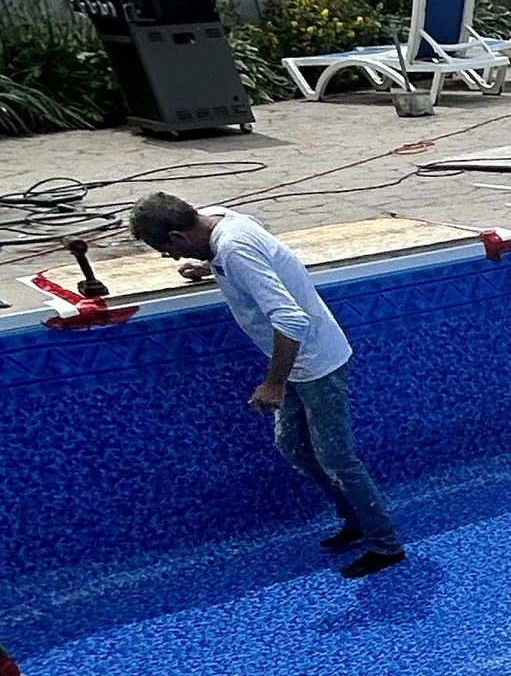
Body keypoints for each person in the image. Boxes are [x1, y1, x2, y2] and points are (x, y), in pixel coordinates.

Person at [125, 195, 404, 575]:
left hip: (315, 363)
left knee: (337, 458)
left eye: (166, 250)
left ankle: (385, 545)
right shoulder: (220, 218)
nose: (169, 258)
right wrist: (210, 268)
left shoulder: (235, 249)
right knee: (295, 448)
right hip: (296, 365)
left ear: (179, 234)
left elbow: (291, 318)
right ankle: (355, 520)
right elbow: (265, 258)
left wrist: (273, 384)